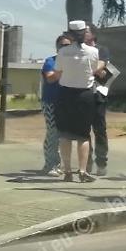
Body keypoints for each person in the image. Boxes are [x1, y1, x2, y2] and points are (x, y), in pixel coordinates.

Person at [51, 20, 105, 182]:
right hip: (85, 95)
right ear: (84, 33)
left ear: (70, 35)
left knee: (65, 135)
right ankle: (82, 171)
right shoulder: (93, 52)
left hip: (65, 94)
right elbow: (95, 70)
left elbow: (58, 72)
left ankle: (67, 171)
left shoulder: (62, 52)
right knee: (83, 135)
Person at [39, 34, 73, 176]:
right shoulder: (50, 61)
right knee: (53, 132)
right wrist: (65, 69)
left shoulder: (73, 62)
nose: (65, 48)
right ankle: (51, 164)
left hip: (67, 102)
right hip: (51, 102)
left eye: (68, 45)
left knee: (64, 135)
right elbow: (51, 78)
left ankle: (62, 165)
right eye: (62, 45)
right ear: (57, 47)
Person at [84, 24, 113, 176]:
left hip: (99, 94)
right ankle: (86, 162)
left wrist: (90, 68)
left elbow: (104, 68)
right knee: (84, 130)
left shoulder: (102, 50)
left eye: (87, 31)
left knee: (100, 129)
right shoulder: (80, 49)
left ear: (94, 34)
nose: (84, 33)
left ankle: (101, 162)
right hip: (83, 93)